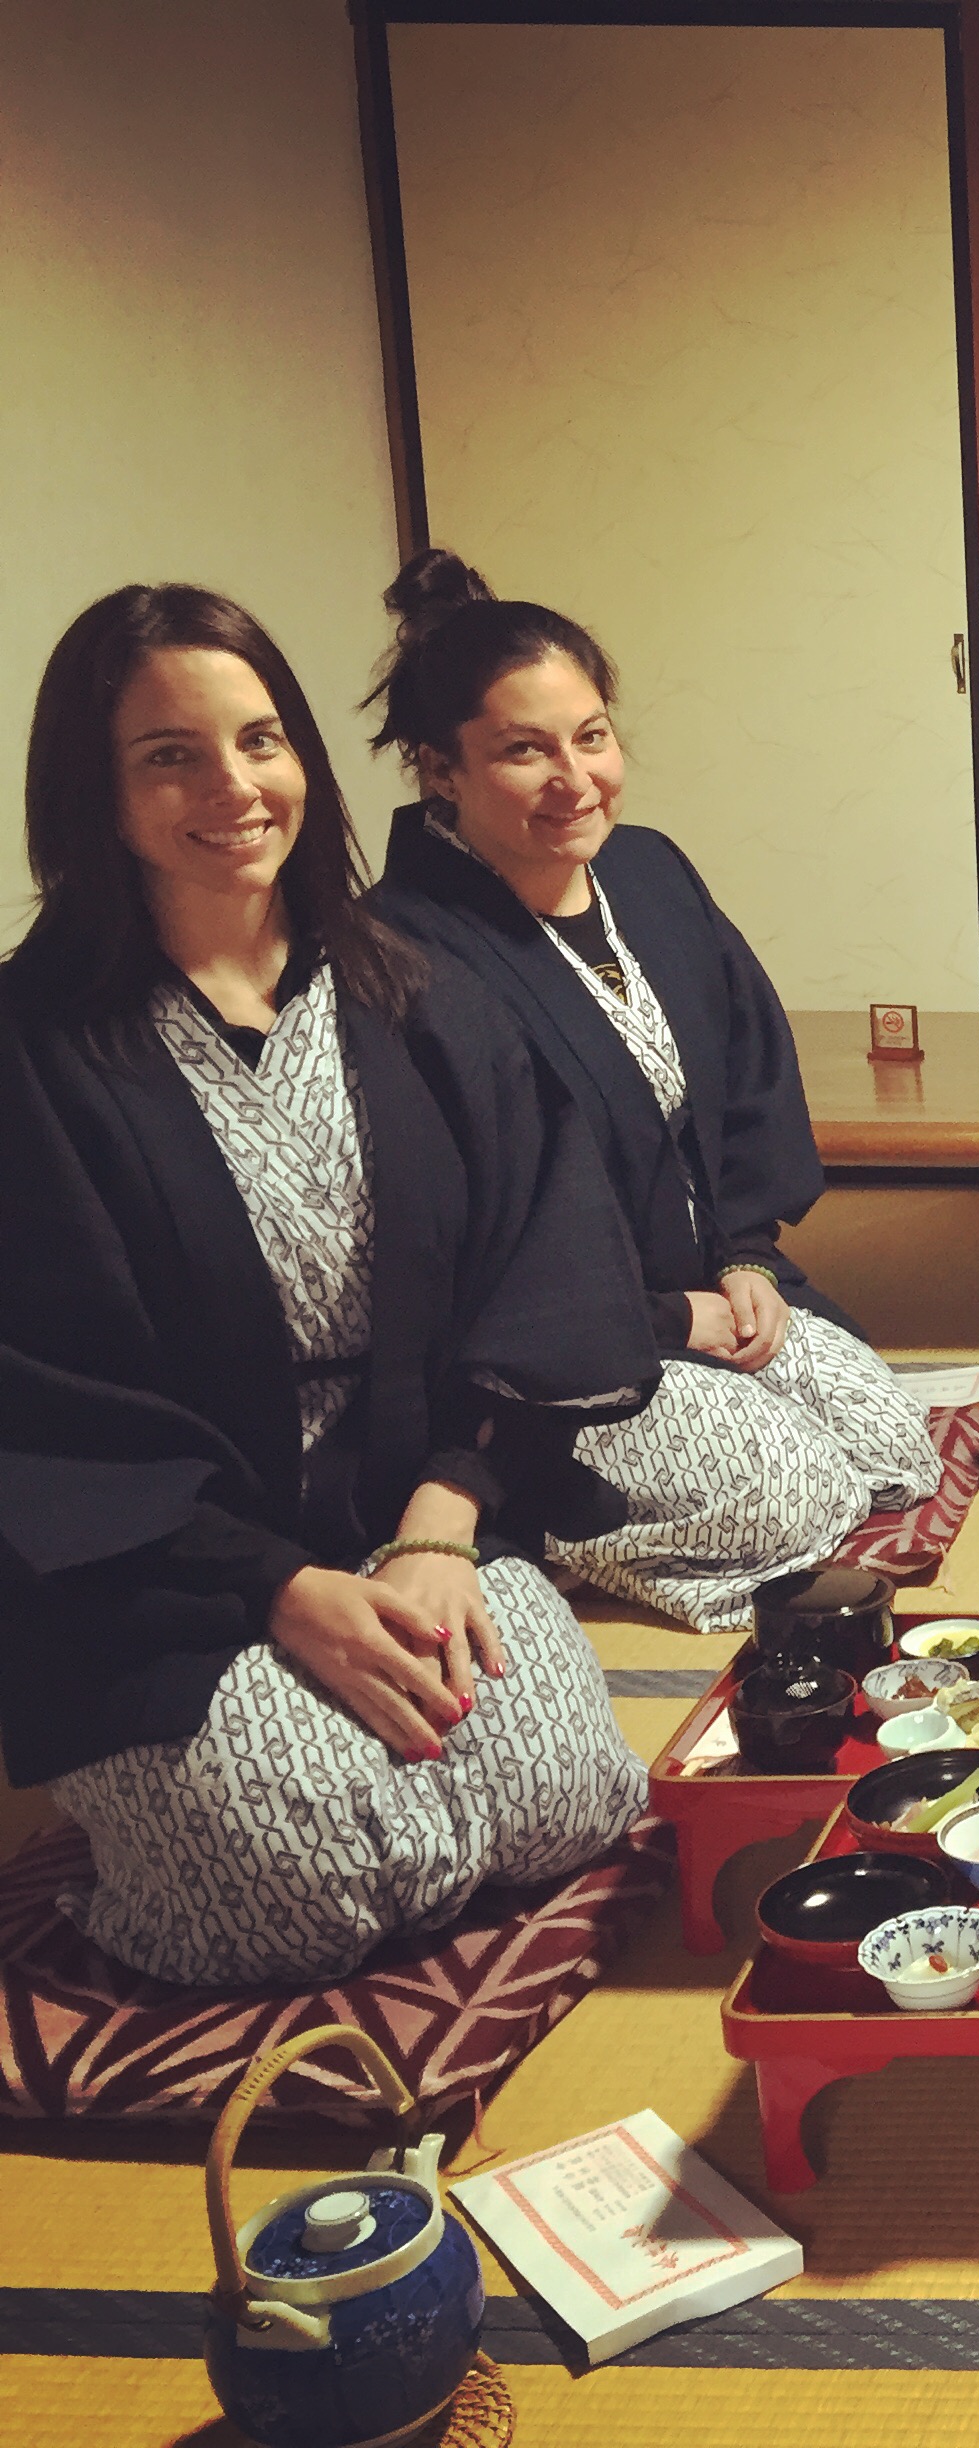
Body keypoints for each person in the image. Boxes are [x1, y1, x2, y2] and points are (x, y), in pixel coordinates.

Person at [0, 584, 660, 1986]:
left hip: (411, 1500)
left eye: (260, 741)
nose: (234, 789)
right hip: (166, 1567)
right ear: (90, 790)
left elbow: (543, 1251)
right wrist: (280, 1587)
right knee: (305, 1883)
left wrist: (445, 1517)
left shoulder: (412, 989)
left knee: (560, 1805)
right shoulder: (30, 1050)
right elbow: (43, 1403)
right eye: (170, 756)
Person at [365, 552, 939, 1633]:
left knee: (893, 1453)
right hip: (558, 1362)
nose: (574, 780)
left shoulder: (649, 872)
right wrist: (670, 1318)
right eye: (523, 751)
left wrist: (746, 1255)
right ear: (440, 769)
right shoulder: (406, 955)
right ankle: (541, 1529)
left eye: (590, 737)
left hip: (711, 1285)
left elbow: (745, 1070)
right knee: (798, 1495)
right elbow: (457, 1243)